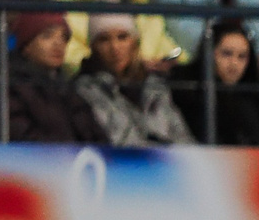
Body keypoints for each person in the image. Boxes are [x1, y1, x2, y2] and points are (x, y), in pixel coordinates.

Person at [0, 9, 110, 142]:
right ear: (26, 45)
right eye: (47, 36)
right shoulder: (6, 88)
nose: (58, 44)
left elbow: (96, 136)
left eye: (64, 37)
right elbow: (22, 142)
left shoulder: (66, 88)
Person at [76, 12, 193, 144]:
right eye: (104, 39)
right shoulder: (84, 91)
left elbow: (182, 138)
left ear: (134, 42)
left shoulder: (155, 87)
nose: (115, 47)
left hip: (166, 162)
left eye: (122, 37)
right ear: (93, 47)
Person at [169, 18, 259, 146]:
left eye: (242, 56)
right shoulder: (185, 92)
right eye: (227, 54)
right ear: (209, 54)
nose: (234, 64)